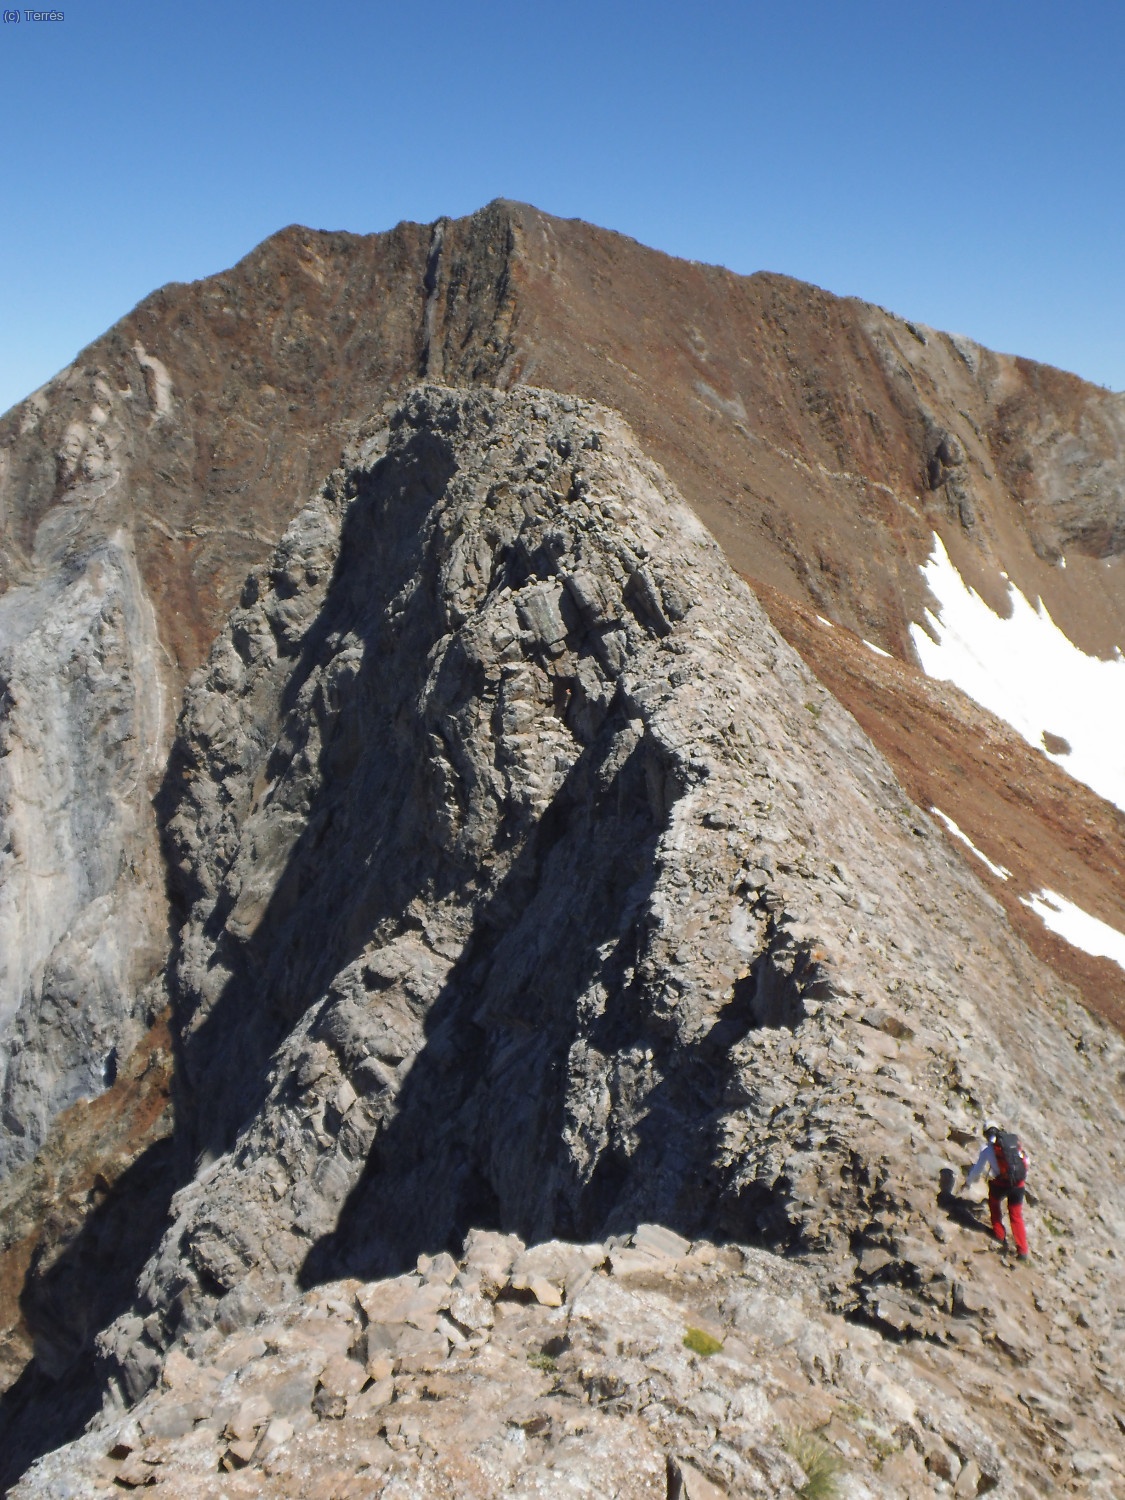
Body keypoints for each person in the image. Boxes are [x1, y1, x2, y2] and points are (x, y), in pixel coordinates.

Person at [966, 1123, 1029, 1259]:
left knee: (994, 1204)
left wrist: (969, 1182)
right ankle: (1023, 1251)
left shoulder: (987, 1149)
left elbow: (977, 1170)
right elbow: (1026, 1162)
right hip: (1018, 1184)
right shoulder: (1012, 1144)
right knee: (1016, 1216)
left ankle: (999, 1233)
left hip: (1001, 1184)